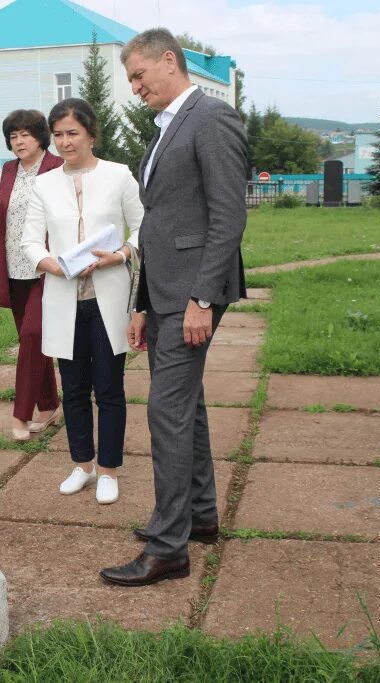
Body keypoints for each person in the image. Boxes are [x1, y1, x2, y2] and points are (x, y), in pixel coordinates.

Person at [100, 29, 248, 586]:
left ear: (169, 61)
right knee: (188, 407)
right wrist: (140, 302)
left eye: (140, 75)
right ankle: (200, 517)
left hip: (194, 293)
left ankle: (169, 548)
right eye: (130, 80)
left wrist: (202, 300)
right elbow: (158, 226)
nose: (135, 87)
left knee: (166, 410)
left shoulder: (210, 119)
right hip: (163, 292)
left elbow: (228, 216)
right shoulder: (164, 131)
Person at [22, 98, 143, 505]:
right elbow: (27, 240)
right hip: (63, 298)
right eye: (57, 135)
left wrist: (122, 255)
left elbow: (144, 228)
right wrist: (48, 264)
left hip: (108, 295)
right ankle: (82, 465)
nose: (64, 142)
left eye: (72, 133)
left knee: (109, 388)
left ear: (91, 133)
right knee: (72, 389)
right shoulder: (44, 183)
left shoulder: (118, 176)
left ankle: (109, 470)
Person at [0, 110, 65, 442]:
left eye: (26, 135)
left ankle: (21, 415)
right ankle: (48, 407)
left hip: (46, 269)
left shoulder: (57, 169)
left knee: (33, 336)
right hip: (13, 269)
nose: (19, 141)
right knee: (33, 341)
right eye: (13, 135)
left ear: (40, 137)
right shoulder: (7, 171)